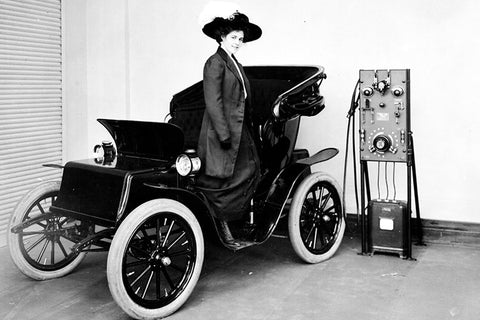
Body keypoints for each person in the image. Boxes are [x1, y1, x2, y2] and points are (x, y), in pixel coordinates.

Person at [197, 10, 262, 245]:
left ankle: (235, 223)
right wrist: (224, 135)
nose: (238, 42)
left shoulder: (234, 62)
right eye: (234, 37)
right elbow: (213, 102)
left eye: (241, 39)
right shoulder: (215, 62)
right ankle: (223, 228)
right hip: (220, 132)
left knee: (251, 171)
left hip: (238, 129)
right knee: (223, 180)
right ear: (222, 37)